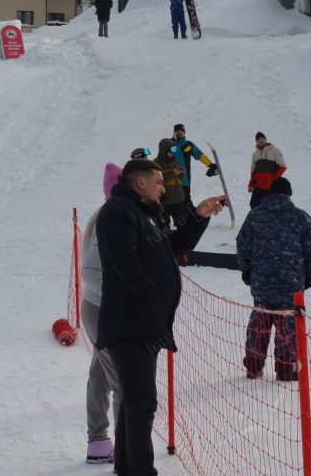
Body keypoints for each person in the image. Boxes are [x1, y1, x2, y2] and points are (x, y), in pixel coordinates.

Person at [96, 157, 226, 476]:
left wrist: (199, 216)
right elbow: (125, 262)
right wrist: (152, 294)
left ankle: (126, 467)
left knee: (133, 401)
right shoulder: (118, 212)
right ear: (140, 182)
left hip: (145, 324)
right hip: (130, 325)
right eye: (159, 182)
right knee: (142, 405)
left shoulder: (145, 213)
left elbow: (173, 247)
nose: (163, 188)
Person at [235, 177, 311, 381]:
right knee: (288, 325)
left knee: (260, 321)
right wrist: (309, 274)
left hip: (261, 281)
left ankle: (254, 366)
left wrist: (246, 269)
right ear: (289, 194)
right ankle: (286, 369)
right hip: (291, 283)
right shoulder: (300, 217)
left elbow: (243, 243)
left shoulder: (255, 215)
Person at [78, 161, 123, 464]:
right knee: (121, 381)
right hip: (102, 311)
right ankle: (125, 447)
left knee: (100, 374)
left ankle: (98, 441)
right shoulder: (109, 220)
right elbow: (91, 272)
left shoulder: (106, 215)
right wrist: (120, 299)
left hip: (96, 309)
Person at [157, 123, 219, 231]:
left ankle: (191, 219)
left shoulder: (188, 145)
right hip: (169, 182)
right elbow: (161, 156)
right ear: (174, 132)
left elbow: (199, 154)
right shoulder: (169, 144)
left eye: (181, 131)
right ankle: (168, 223)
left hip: (184, 180)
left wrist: (210, 165)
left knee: (185, 202)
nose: (179, 132)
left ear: (184, 132)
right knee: (169, 203)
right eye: (177, 131)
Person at [247, 132, 287, 210]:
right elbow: (253, 171)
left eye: (262, 138)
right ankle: (258, 218)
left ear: (265, 140)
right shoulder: (255, 154)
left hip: (271, 186)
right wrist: (250, 184)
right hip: (258, 186)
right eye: (258, 139)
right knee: (253, 204)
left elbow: (283, 166)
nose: (261, 140)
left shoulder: (274, 150)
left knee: (271, 207)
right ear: (256, 141)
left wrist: (272, 179)